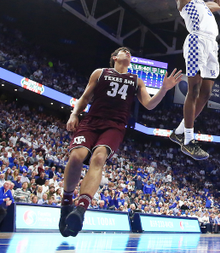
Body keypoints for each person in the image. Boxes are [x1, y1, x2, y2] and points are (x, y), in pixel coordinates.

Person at [59, 47, 182, 237]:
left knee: (99, 158)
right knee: (77, 156)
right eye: (123, 50)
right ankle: (66, 203)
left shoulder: (136, 80)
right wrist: (74, 114)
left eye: (129, 52)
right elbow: (84, 98)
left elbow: (149, 104)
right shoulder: (100, 73)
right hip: (91, 122)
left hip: (114, 126)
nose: (128, 52)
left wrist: (164, 89)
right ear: (114, 57)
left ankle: (80, 210)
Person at [169, 0, 220, 160]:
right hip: (196, 42)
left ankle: (179, 132)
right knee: (194, 89)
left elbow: (219, 4)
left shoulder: (204, 4)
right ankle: (189, 140)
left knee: (207, 93)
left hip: (212, 45)